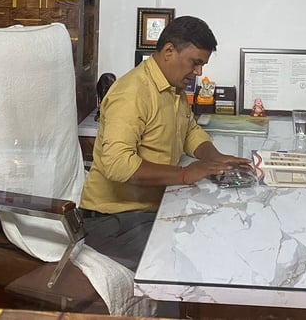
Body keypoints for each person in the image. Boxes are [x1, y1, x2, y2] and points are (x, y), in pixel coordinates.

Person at [79, 15, 250, 270]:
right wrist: (185, 174)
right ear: (169, 51)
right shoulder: (132, 92)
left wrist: (214, 158)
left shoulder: (173, 88)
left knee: (225, 226)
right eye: (195, 63)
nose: (199, 72)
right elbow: (118, 165)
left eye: (202, 65)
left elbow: (190, 130)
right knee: (199, 255)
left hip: (150, 212)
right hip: (113, 221)